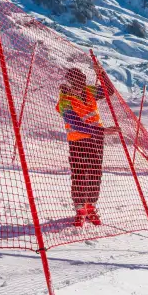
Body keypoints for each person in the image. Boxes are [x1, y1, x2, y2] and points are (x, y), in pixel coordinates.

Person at [56, 65, 115, 228]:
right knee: (80, 175)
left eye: (81, 82)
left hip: (96, 140)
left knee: (95, 174)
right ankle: (80, 211)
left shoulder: (89, 91)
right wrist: (102, 130)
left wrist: (101, 72)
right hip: (78, 141)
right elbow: (75, 123)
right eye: (76, 84)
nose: (79, 87)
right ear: (70, 83)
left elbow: (109, 91)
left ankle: (91, 208)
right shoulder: (65, 100)